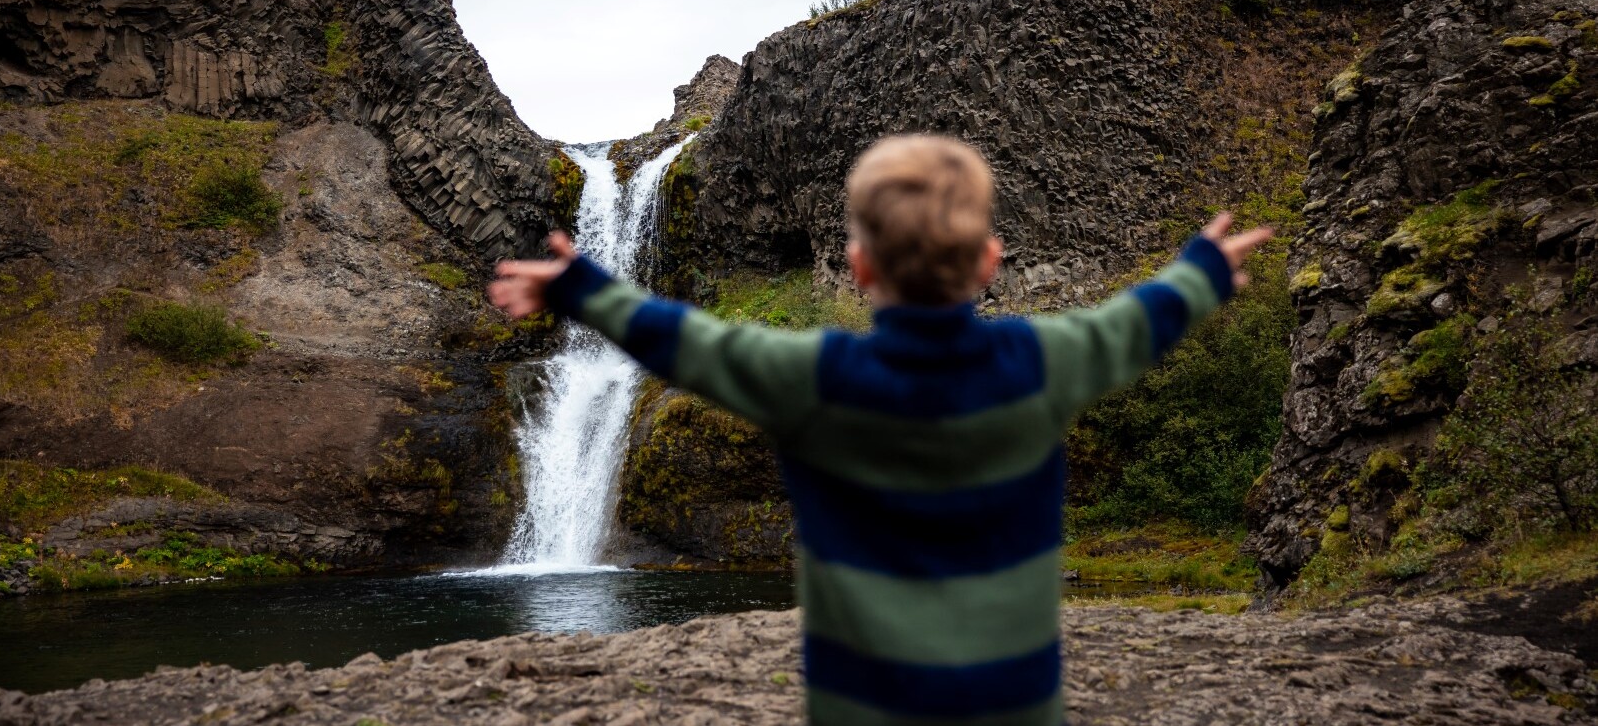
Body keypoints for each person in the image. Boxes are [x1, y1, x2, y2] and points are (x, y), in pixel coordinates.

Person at [488, 134, 1271, 725]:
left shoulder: (816, 379)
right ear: (990, 261)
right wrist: (1197, 273)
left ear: (858, 268)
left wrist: (585, 289)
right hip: (1012, 701)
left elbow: (692, 345)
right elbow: (1132, 324)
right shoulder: (1041, 361)